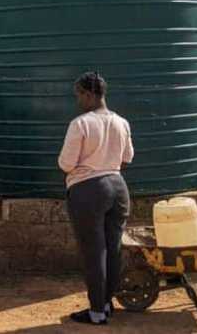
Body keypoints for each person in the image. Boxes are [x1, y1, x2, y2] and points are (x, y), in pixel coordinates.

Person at [58, 71, 134, 326]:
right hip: (118, 187)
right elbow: (127, 157)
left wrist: (88, 166)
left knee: (93, 252)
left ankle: (97, 313)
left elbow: (66, 163)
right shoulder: (121, 122)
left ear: (90, 94)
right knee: (113, 248)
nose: (78, 99)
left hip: (89, 190)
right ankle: (107, 303)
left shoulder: (80, 123)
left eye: (79, 94)